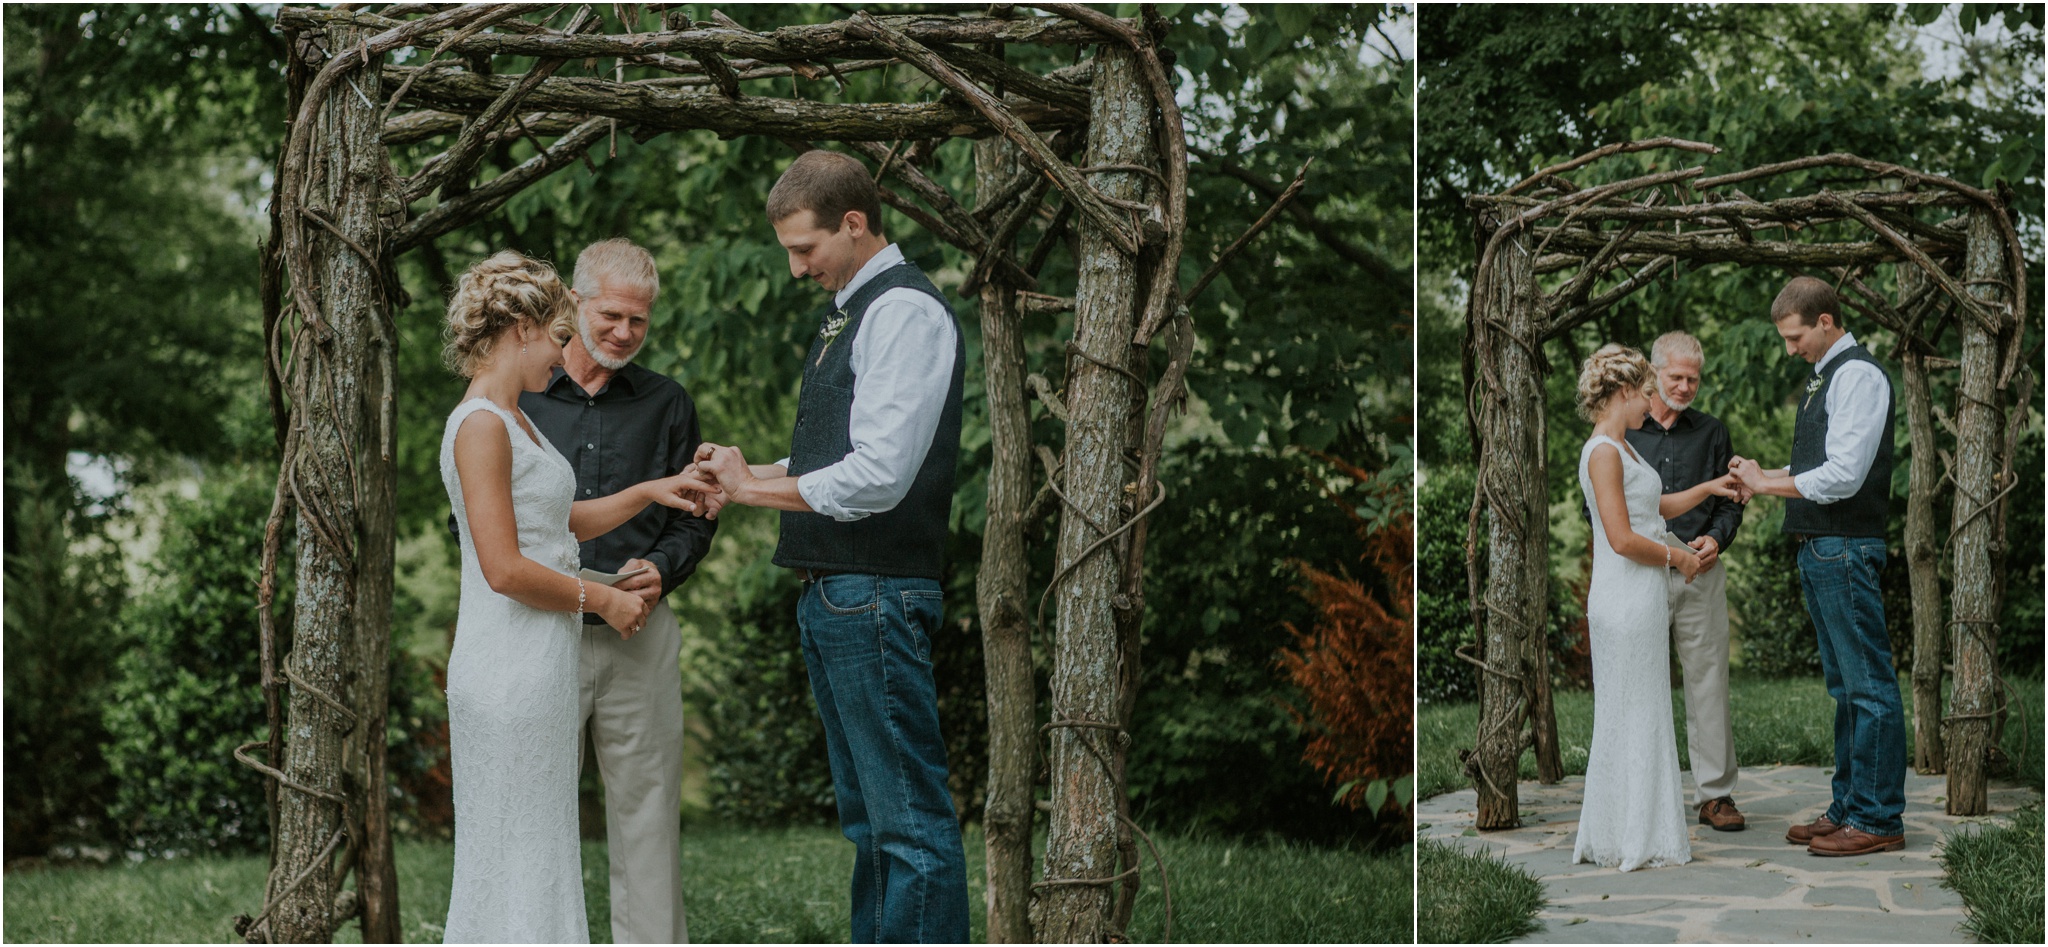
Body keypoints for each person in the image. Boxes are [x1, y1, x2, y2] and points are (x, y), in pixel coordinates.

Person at [680, 149, 970, 943]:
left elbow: (878, 477)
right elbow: (828, 464)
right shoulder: (855, 307)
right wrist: (744, 472)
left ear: (854, 222)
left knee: (909, 826)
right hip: (840, 595)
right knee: (873, 827)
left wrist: (749, 490)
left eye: (805, 248)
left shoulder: (903, 311)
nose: (796, 268)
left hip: (873, 590)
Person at [436, 250, 707, 943]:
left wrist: (649, 490)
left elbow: (559, 519)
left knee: (542, 846)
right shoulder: (481, 425)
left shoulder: (512, 418)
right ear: (522, 327)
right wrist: (604, 600)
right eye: (561, 336)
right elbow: (502, 566)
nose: (563, 357)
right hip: (509, 660)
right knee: (516, 848)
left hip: (538, 658)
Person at [529, 238, 714, 943]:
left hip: (640, 629)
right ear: (574, 302)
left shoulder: (669, 402)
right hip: (542, 630)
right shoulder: (520, 395)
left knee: (647, 813)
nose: (624, 333)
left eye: (639, 320)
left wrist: (664, 568)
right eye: (611, 315)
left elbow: (691, 518)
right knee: (536, 813)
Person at [1731, 276, 1904, 857]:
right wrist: (1763, 479)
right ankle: (1849, 807)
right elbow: (1817, 466)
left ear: (1825, 322)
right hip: (1824, 547)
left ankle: (1878, 820)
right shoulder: (1828, 374)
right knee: (1844, 688)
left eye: (1795, 336)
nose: (1790, 348)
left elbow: (1845, 476)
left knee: (1869, 687)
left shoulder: (1857, 373)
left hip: (1846, 547)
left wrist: (1769, 485)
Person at [1572, 343, 1740, 872]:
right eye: (1645, 393)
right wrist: (1679, 558)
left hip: (1640, 596)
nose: (1651, 404)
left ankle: (1640, 828)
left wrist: (1710, 487)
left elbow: (1656, 505)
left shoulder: (1623, 449)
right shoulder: (1602, 452)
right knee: (1629, 713)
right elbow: (1621, 538)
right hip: (1625, 597)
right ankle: (1625, 833)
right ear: (1623, 392)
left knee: (1645, 713)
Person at [1625, 330, 1746, 832]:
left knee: (1708, 682)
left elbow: (1729, 500)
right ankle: (1639, 792)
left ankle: (1716, 796)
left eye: (1693, 379)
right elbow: (1605, 511)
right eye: (1676, 376)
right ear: (1654, 373)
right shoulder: (1623, 433)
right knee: (1637, 684)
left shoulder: (1713, 431)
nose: (1685, 386)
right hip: (1641, 571)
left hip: (1700, 572)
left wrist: (1717, 540)